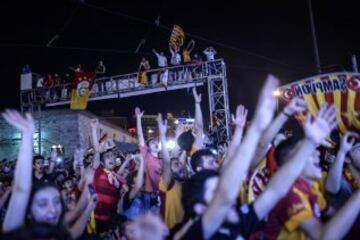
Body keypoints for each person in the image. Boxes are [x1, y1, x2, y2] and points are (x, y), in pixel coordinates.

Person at [1, 110, 97, 239]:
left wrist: (89, 205)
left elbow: (74, 227)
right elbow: (21, 190)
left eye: (57, 202)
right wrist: (27, 136)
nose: (53, 210)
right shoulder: (18, 234)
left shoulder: (58, 233)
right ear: (28, 211)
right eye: (42, 204)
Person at [263, 123, 360, 238]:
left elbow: (335, 215)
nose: (317, 153)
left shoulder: (311, 189)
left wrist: (342, 151)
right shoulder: (288, 193)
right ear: (292, 162)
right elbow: (324, 237)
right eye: (308, 151)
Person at [157, 114, 187, 229]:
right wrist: (163, 135)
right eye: (176, 165)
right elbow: (167, 160)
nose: (180, 166)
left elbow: (177, 154)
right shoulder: (167, 184)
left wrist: (179, 135)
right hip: (170, 232)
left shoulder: (182, 182)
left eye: (180, 164)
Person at [135, 107, 162, 213]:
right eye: (152, 143)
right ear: (148, 147)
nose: (155, 143)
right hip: (149, 194)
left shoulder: (161, 161)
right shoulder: (146, 154)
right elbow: (140, 135)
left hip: (160, 193)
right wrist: (138, 118)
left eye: (156, 142)